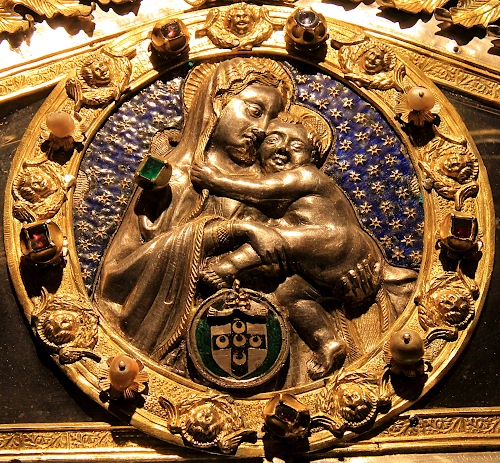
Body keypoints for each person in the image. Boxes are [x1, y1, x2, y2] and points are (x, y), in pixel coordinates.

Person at [95, 58, 294, 368]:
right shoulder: (170, 178)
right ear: (217, 103)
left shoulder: (272, 184)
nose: (263, 129)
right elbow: (120, 276)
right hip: (180, 340)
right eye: (255, 111)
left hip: (260, 330)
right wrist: (236, 230)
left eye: (272, 120)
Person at [191, 109, 417, 377]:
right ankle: (327, 342)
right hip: (321, 267)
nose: (283, 149)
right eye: (273, 140)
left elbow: (261, 190)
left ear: (312, 157)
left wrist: (215, 180)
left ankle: (227, 267)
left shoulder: (305, 175)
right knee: (289, 295)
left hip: (336, 240)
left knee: (275, 238)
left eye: (296, 146)